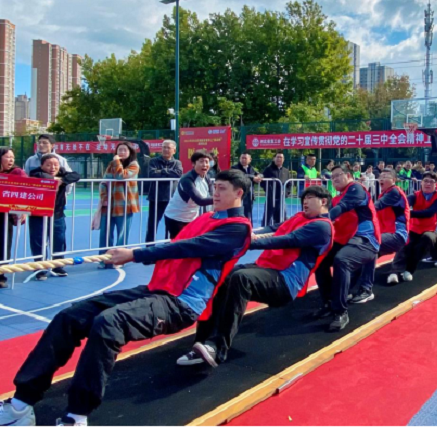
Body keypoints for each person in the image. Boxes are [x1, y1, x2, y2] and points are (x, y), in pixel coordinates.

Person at [1, 170, 251, 427]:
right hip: (156, 290)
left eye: (222, 189)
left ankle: (76, 416)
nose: (215, 193)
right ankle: (21, 404)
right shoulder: (207, 218)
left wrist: (135, 254)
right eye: (214, 187)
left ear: (239, 193)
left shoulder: (237, 228)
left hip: (181, 303)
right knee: (70, 317)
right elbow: (177, 243)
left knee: (109, 323)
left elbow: (188, 247)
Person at [178, 185, 334, 367]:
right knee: (223, 276)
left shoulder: (322, 226)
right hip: (268, 268)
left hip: (285, 280)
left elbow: (287, 240)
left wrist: (245, 242)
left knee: (241, 279)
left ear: (323, 201)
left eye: (310, 198)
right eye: (304, 198)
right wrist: (243, 232)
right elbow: (274, 228)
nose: (305, 202)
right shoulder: (299, 218)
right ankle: (202, 340)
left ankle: (217, 347)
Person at [314, 166, 380, 331]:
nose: (334, 179)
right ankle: (329, 301)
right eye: (332, 177)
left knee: (342, 260)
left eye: (338, 175)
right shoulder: (337, 198)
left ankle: (340, 311)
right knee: (319, 259)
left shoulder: (356, 189)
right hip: (346, 240)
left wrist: (323, 219)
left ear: (349, 175)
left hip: (366, 240)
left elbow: (340, 209)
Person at [29, 154, 81, 278]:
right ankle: (40, 268)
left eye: (56, 165)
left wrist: (61, 180)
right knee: (38, 241)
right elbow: (39, 176)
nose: (53, 167)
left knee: (59, 240)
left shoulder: (62, 173)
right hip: (38, 214)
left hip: (57, 214)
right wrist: (53, 179)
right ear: (42, 165)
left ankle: (58, 266)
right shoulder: (35, 172)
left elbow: (76, 175)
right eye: (48, 165)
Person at [359, 169, 410, 286]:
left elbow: (375, 207)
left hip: (397, 234)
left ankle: (366, 287)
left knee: (368, 245)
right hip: (386, 233)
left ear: (394, 180)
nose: (381, 179)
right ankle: (352, 284)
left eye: (385, 177)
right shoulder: (384, 194)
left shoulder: (394, 192)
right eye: (380, 177)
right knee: (363, 255)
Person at [97, 142, 140, 269]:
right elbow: (104, 181)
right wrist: (104, 197)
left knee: (122, 233)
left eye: (124, 150)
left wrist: (117, 162)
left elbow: (122, 176)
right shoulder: (112, 164)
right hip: (109, 204)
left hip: (125, 204)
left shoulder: (134, 165)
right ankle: (103, 259)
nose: (121, 152)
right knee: (105, 233)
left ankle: (119, 260)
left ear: (130, 152)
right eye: (119, 150)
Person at [398, 171, 437, 282]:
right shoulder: (414, 195)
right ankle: (395, 270)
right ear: (421, 182)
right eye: (425, 181)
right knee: (404, 243)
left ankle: (410, 270)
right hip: (414, 228)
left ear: (436, 184)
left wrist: (409, 213)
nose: (428, 184)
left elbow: (429, 213)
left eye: (431, 182)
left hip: (430, 229)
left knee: (426, 240)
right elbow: (403, 205)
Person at [163, 151, 214, 239]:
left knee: (190, 243)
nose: (205, 165)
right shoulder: (187, 179)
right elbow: (200, 200)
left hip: (191, 218)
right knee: (177, 244)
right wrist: (221, 198)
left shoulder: (206, 177)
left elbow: (213, 194)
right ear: (193, 164)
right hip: (175, 217)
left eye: (207, 162)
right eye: (201, 161)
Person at [145, 140, 183, 244]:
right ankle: (149, 248)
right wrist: (168, 172)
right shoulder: (153, 161)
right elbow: (152, 174)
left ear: (174, 150)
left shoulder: (177, 163)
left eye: (168, 148)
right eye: (164, 147)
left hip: (171, 198)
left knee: (170, 224)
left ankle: (168, 247)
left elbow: (178, 174)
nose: (165, 149)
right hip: (155, 198)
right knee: (152, 225)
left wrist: (161, 171)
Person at [0, 147, 27, 289]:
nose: (11, 160)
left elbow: (26, 190)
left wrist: (22, 210)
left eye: (12, 157)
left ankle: (1, 276)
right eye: (7, 157)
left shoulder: (17, 172)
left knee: (3, 246)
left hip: (5, 216)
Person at [232, 153, 263, 225]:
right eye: (242, 158)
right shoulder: (234, 168)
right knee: (238, 214)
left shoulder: (251, 169)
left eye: (245, 158)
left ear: (250, 160)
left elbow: (260, 174)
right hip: (238, 196)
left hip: (249, 195)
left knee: (248, 214)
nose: (243, 160)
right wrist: (252, 178)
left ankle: (249, 228)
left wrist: (259, 176)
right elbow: (239, 175)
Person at [261, 152, 290, 226]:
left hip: (281, 199)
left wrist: (286, 193)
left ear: (283, 159)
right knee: (267, 217)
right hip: (270, 198)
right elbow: (262, 182)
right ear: (274, 159)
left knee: (281, 217)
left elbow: (289, 184)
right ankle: (264, 230)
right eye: (277, 157)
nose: (279, 159)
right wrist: (268, 190)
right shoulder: (268, 170)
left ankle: (279, 230)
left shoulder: (286, 171)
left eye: (281, 157)